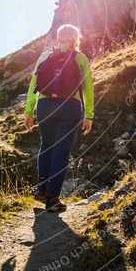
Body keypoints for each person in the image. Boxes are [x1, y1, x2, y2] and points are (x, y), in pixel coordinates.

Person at [23, 24, 94, 212]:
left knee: (46, 144)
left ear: (59, 37)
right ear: (76, 39)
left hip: (45, 106)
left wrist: (28, 112)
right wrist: (89, 115)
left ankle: (42, 188)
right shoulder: (80, 58)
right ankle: (52, 198)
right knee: (61, 150)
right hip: (70, 107)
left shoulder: (45, 56)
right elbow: (88, 89)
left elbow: (33, 86)